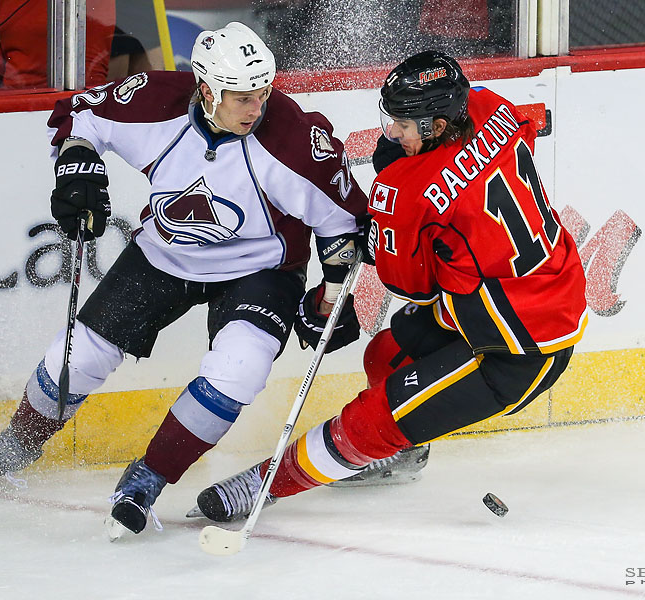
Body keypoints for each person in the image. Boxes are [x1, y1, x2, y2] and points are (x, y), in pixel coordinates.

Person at [0, 21, 369, 537]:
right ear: (206, 89)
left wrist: (330, 298)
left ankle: (148, 478)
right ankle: (16, 443)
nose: (257, 107)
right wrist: (76, 161)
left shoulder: (297, 141)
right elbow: (80, 115)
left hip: (260, 269)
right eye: (242, 97)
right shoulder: (153, 98)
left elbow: (344, 224)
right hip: (163, 254)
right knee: (78, 357)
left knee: (239, 369)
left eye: (263, 92)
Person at [187, 50, 588, 523]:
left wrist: (384, 231)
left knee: (373, 417)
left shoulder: (408, 190)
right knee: (386, 355)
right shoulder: (490, 106)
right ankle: (402, 452)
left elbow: (415, 289)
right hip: (539, 288)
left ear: (438, 125)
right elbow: (515, 139)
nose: (391, 133)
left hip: (520, 347)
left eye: (402, 124)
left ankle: (263, 485)